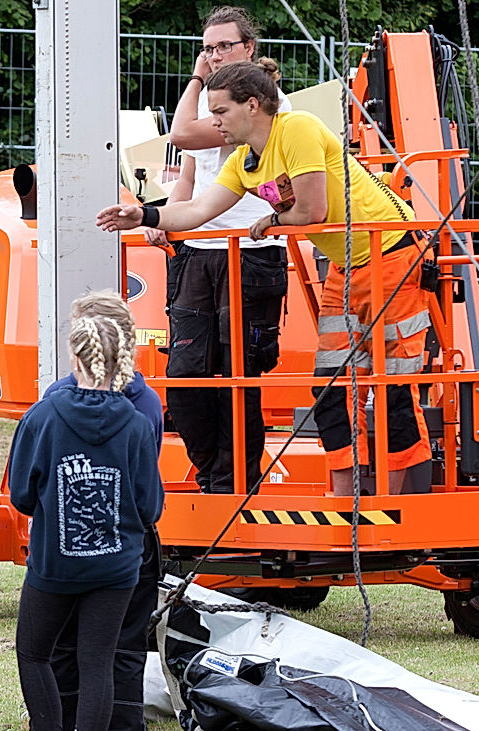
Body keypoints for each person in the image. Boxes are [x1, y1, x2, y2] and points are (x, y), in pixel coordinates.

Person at [97, 59, 432, 496]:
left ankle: (397, 504)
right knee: (331, 386)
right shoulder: (243, 160)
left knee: (393, 388)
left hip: (392, 255)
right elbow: (199, 210)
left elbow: (313, 211)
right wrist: (143, 213)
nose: (213, 123)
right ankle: (349, 501)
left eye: (220, 112)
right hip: (348, 268)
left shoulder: (298, 129)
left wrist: (273, 220)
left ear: (252, 105)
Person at [8, 300, 164, 731]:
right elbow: (149, 505)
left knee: (34, 652)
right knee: (100, 660)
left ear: (74, 360)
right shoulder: (139, 422)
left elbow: (22, 494)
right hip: (117, 566)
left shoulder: (45, 414)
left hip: (56, 562)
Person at [150, 6, 291, 495]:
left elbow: (182, 132)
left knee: (239, 373)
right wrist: (165, 218)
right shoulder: (212, 107)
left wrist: (193, 78)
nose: (212, 56)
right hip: (200, 251)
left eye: (223, 46)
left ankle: (236, 483)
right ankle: (213, 472)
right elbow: (189, 172)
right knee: (186, 373)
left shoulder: (264, 105)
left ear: (248, 49)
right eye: (206, 47)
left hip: (249, 250)